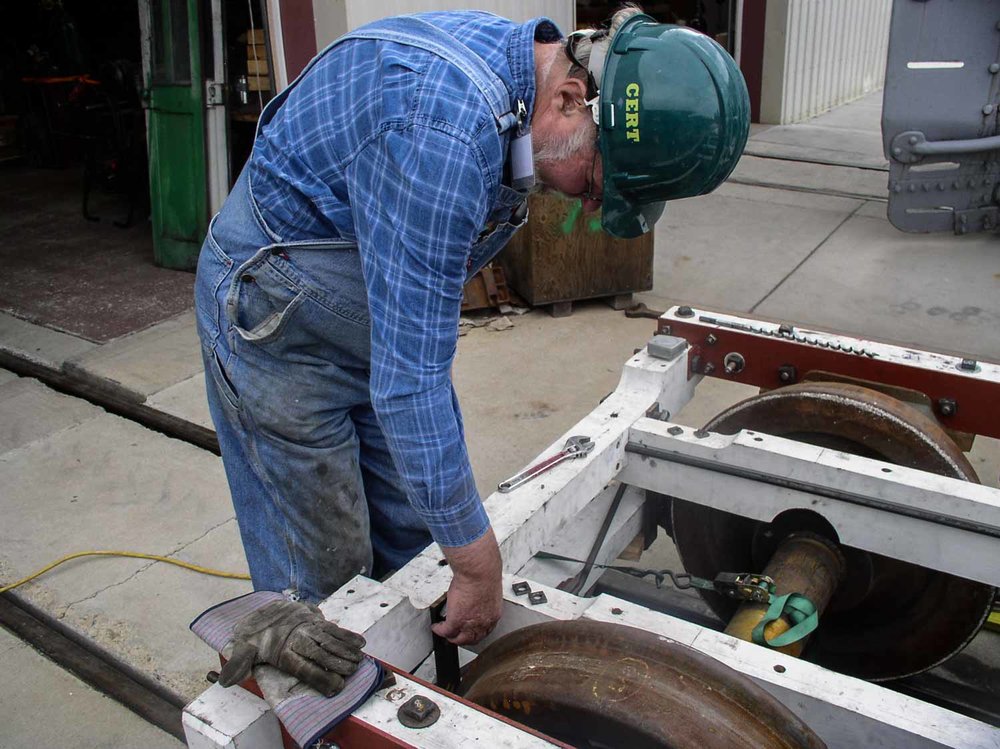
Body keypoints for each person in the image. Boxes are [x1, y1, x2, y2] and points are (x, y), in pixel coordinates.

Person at [194, 5, 749, 678]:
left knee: (416, 548)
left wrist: (459, 547)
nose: (595, 205)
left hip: (361, 311)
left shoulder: (527, 85)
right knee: (325, 593)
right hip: (277, 321)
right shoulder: (442, 130)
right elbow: (411, 382)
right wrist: (480, 563)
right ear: (574, 99)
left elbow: (411, 356)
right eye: (601, 182)